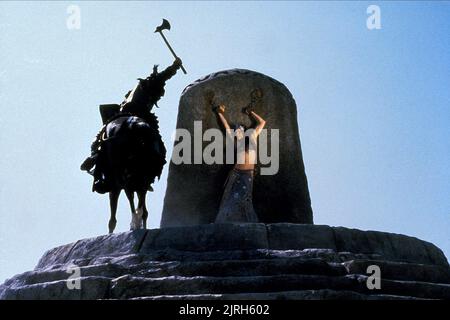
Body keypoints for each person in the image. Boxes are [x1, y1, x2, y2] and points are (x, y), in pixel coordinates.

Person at [80, 58, 183, 176]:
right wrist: (175, 66)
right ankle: (149, 171)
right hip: (137, 114)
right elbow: (164, 76)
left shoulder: (138, 90)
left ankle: (95, 157)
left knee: (97, 139)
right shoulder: (151, 84)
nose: (158, 97)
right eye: (159, 95)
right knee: (159, 148)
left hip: (123, 114)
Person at [214, 104, 266, 223]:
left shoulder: (252, 136)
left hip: (248, 175)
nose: (238, 130)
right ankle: (223, 222)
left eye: (240, 129)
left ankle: (248, 223)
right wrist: (219, 113)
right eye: (236, 129)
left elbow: (262, 122)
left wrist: (251, 112)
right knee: (231, 199)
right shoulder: (235, 141)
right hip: (237, 174)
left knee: (245, 199)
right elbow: (226, 127)